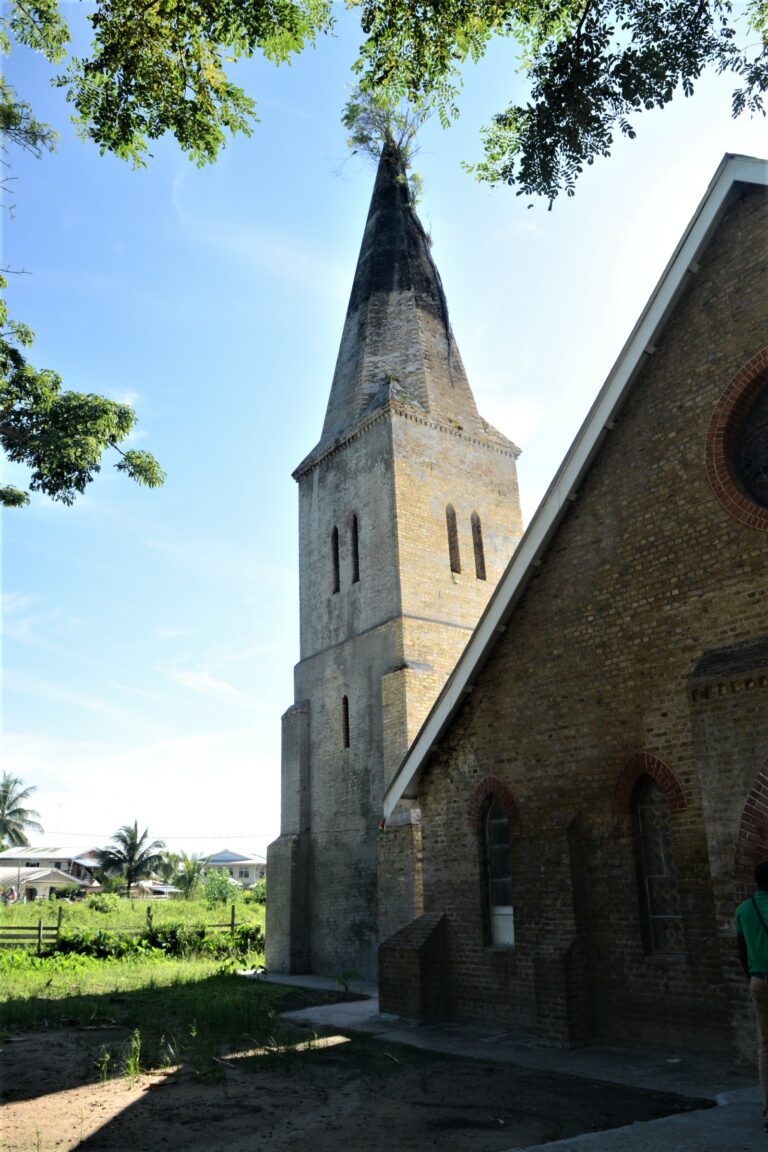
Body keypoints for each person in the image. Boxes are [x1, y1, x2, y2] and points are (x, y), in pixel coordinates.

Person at [736, 861, 768, 1133]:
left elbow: (741, 951)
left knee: (765, 1045)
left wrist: (754, 977)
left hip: (758, 981)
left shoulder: (743, 910)